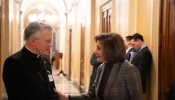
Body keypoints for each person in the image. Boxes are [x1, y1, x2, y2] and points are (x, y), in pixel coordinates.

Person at [54, 33, 143, 100]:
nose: (95, 51)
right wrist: (66, 97)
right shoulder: (102, 68)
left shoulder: (129, 69)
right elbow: (91, 95)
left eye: (99, 48)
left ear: (110, 50)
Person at [3, 21, 58, 100]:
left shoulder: (45, 61)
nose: (51, 45)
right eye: (47, 41)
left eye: (51, 41)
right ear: (33, 41)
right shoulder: (14, 63)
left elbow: (52, 91)